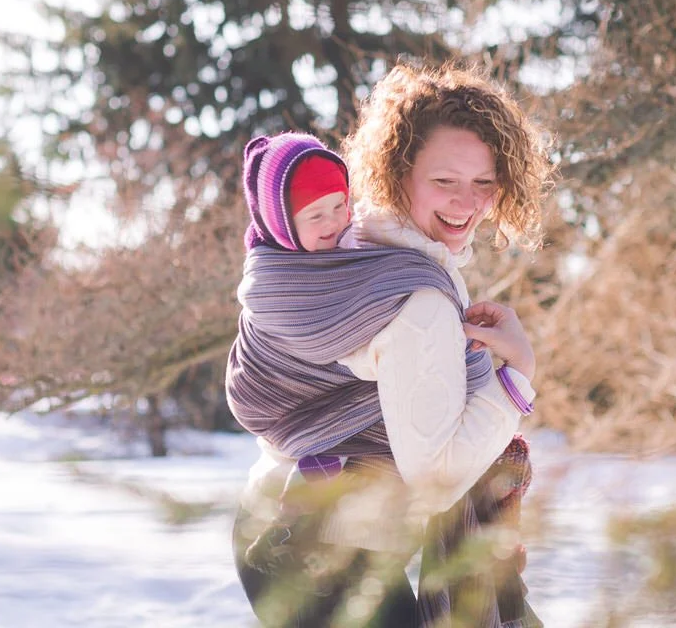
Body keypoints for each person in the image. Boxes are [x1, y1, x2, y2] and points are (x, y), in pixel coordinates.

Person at [227, 62, 554, 628]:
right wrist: (516, 376)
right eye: (445, 181)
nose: (466, 203)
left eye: (484, 183)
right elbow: (437, 477)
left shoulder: (358, 241)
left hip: (289, 530)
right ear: (398, 171)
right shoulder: (414, 297)